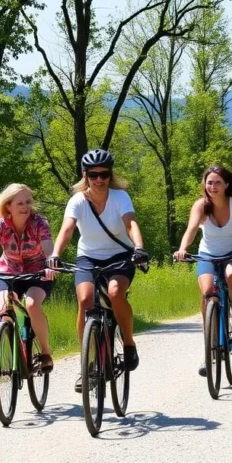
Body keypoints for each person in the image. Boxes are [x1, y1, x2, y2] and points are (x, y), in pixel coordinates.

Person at [47, 149, 149, 393]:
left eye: (104, 174)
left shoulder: (120, 197)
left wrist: (139, 247)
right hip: (88, 257)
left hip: (120, 257)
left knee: (115, 293)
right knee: (84, 300)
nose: (99, 179)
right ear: (86, 175)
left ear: (110, 174)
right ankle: (88, 363)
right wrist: (55, 255)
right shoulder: (78, 201)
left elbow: (130, 222)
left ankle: (128, 342)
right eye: (94, 174)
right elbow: (67, 230)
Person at [173, 165, 232, 377]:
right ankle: (209, 350)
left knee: (231, 275)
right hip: (208, 255)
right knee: (207, 294)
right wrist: (183, 249)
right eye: (209, 182)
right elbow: (192, 229)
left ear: (227, 185)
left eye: (217, 182)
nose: (212, 186)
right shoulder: (200, 206)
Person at [0, 184, 57, 372]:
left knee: (31, 305)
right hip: (8, 272)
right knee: (3, 312)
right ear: (8, 206)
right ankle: (14, 353)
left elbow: (48, 247)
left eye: (28, 202)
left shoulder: (39, 223)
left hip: (38, 273)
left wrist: (51, 264)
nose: (25, 207)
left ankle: (46, 354)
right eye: (20, 203)